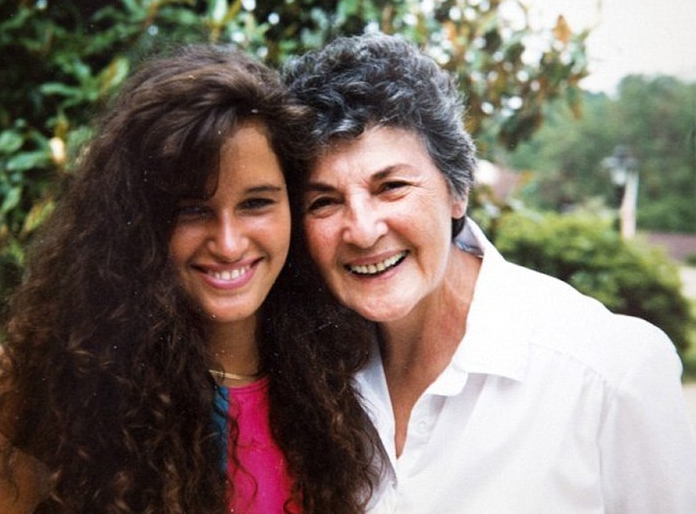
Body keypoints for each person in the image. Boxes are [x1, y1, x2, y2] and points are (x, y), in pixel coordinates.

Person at [283, 34, 696, 513]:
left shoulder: (608, 371)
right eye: (324, 202)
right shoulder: (311, 376)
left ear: (457, 191)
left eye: (391, 186)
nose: (361, 229)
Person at [0, 44, 381, 513]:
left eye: (256, 203)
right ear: (140, 220)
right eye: (193, 210)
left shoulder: (336, 373)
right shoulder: (61, 384)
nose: (228, 244)